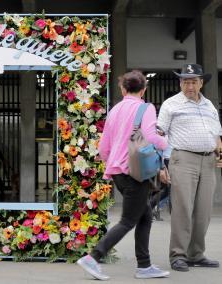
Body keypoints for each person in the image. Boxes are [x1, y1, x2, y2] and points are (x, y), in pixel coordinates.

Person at [77, 70, 169, 280]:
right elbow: (152, 137)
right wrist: (166, 143)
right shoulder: (146, 108)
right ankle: (94, 257)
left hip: (118, 172)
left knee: (145, 216)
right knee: (128, 221)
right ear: (144, 89)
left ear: (123, 88)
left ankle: (144, 266)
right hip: (135, 172)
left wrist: (113, 162)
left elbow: (103, 148)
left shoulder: (115, 109)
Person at [157, 63, 222, 272]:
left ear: (201, 83)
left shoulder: (209, 105)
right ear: (180, 83)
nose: (189, 86)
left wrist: (219, 151)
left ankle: (196, 254)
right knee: (182, 209)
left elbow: (217, 135)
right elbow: (158, 136)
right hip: (182, 160)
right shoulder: (171, 104)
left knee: (203, 211)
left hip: (209, 161)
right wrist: (161, 165)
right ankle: (178, 255)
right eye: (185, 81)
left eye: (193, 81)